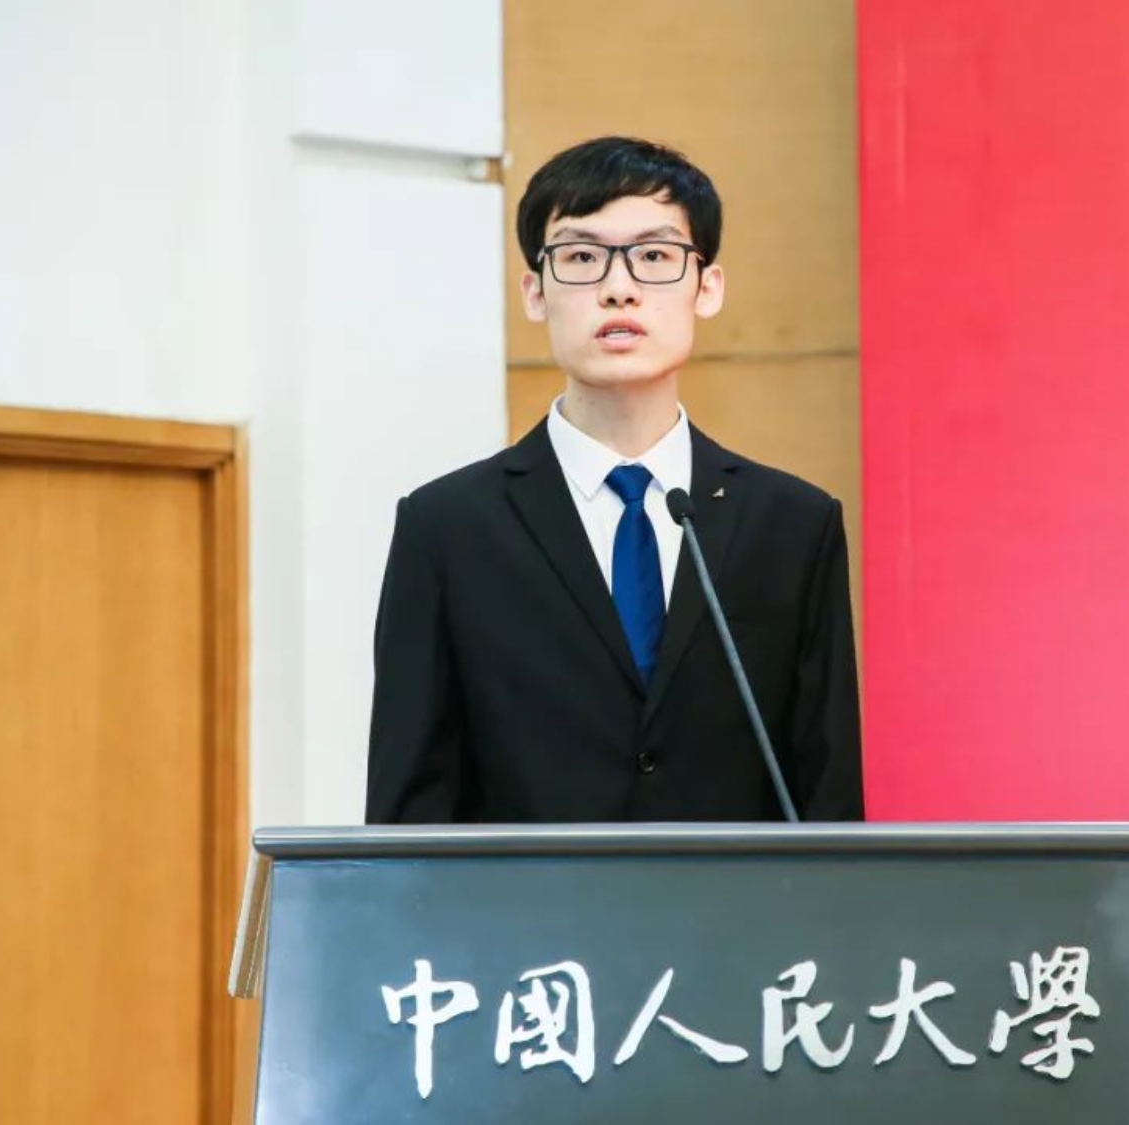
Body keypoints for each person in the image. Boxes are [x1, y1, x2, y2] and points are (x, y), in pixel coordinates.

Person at [365, 136, 862, 823]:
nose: (619, 287)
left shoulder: (793, 526)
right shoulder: (447, 528)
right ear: (535, 293)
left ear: (707, 287)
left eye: (654, 256)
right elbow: (409, 812)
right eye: (581, 257)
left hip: (738, 897)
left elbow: (829, 796)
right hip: (529, 898)